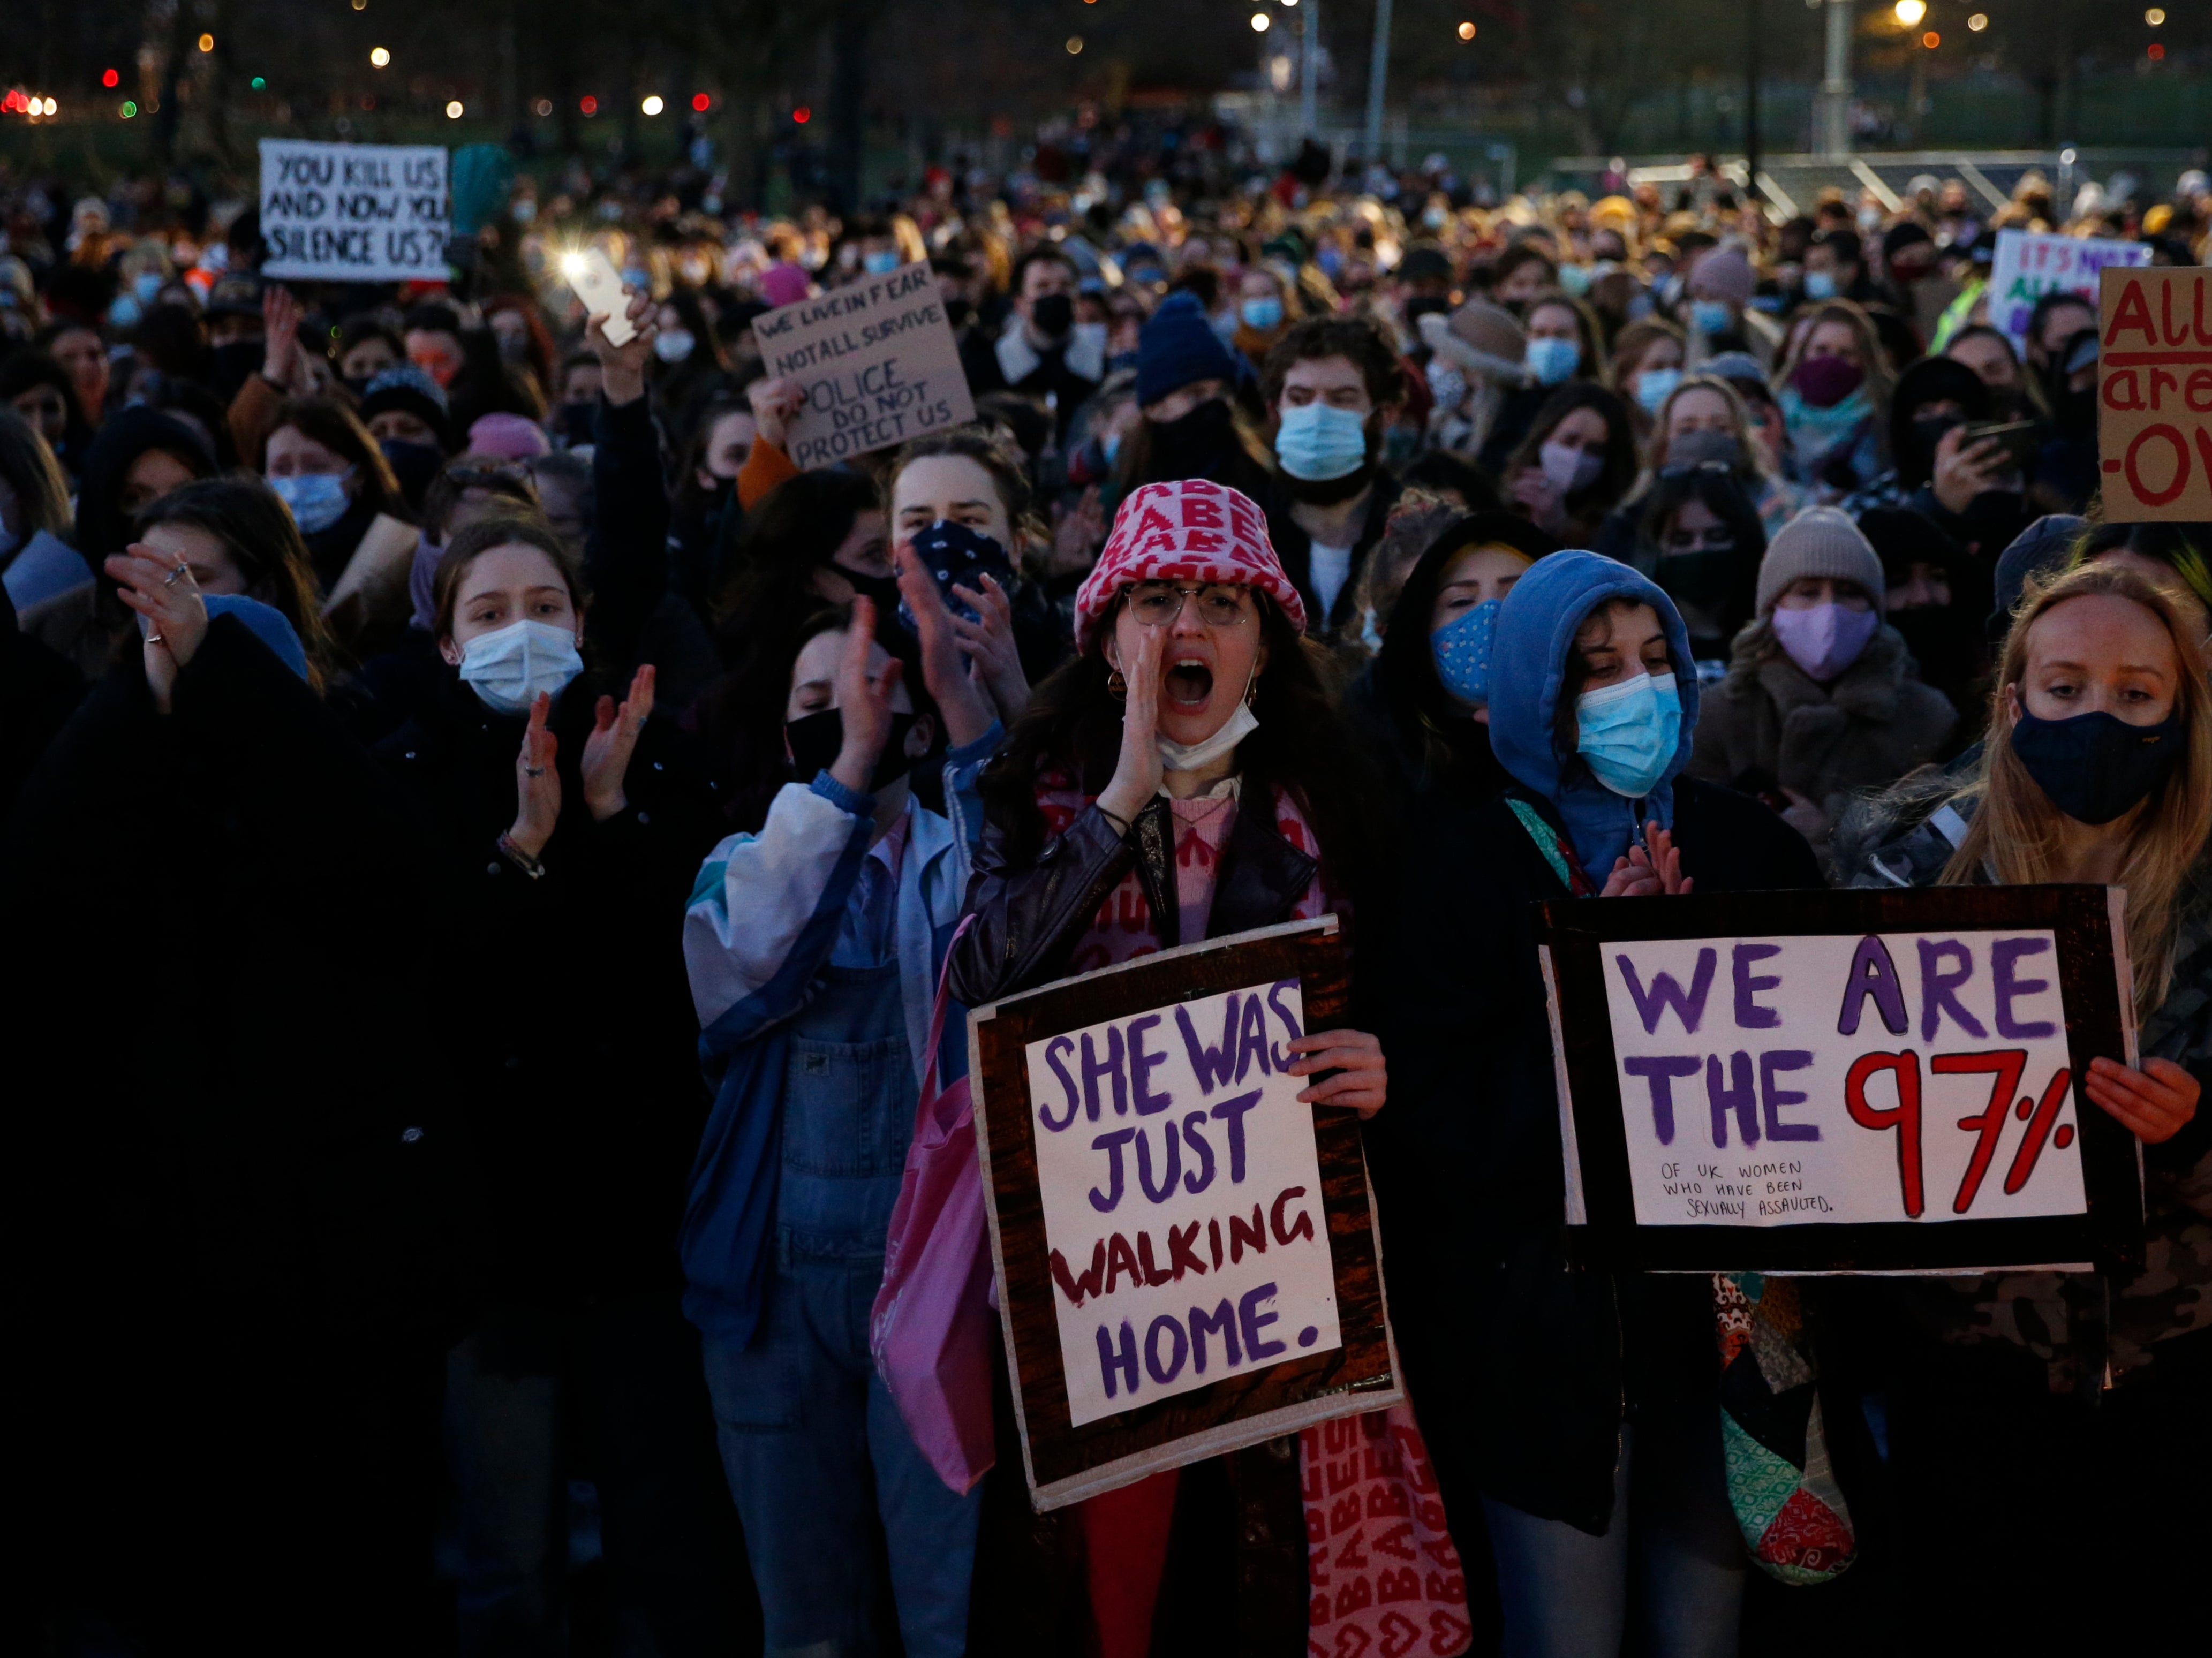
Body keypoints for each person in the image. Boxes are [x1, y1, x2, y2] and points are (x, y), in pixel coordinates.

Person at [946, 478, 1394, 1654]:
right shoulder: (1033, 797)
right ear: (1105, 637)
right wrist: (1121, 801)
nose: (1186, 627)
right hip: (1092, 1294)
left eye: (1219, 602)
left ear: (1264, 644)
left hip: (1274, 1300)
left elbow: (1415, 1011)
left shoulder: (1342, 808)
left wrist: (1383, 1067)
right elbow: (981, 977)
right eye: (1154, 599)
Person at [1365, 549, 1820, 1658]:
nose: (1636, 690)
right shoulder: (1453, 863)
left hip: (1724, 1344)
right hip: (1549, 1354)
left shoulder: (1747, 844)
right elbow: (1440, 1121)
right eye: (1597, 666)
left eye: (1657, 660)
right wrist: (1600, 977)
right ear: (1533, 690)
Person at [6, 552, 457, 1654]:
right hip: (154, 1296)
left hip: (329, 1291)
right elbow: (47, 886)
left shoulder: (344, 804)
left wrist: (232, 682)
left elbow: (383, 873)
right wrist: (143, 703)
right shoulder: (110, 810)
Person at [375, 510, 744, 1654]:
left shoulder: (654, 761)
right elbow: (423, 993)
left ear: (582, 624)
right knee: (508, 1566)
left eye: (543, 609)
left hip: (641, 1237)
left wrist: (607, 816)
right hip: (491, 1252)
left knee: (661, 1548)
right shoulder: (404, 778)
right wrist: (521, 856)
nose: (519, 632)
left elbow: (698, 978)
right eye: (488, 615)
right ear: (446, 644)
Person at [1834, 561, 2211, 1652]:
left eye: (2135, 694)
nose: (2098, 714)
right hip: (1968, 1370)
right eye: (2064, 687)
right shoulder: (1901, 865)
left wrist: (2199, 1121)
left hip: (2176, 1366)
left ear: (2179, 711)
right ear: (2011, 703)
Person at [682, 573, 1002, 1658]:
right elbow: (739, 969)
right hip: (772, 1299)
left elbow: (1021, 899)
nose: (846, 705)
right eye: (818, 694)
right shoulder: (739, 866)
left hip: (942, 1285)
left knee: (945, 1609)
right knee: (807, 1623)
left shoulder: (958, 855)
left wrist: (960, 703)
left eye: (868, 688)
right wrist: (848, 773)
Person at [1688, 506, 1955, 866]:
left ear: (1874, 611)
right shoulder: (1717, 718)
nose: (1828, 611)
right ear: (1773, 609)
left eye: (1848, 592)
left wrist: (1832, 830)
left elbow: (1941, 852)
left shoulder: (1926, 717)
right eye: (1808, 592)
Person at [1346, 509, 1560, 795]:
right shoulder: (1367, 766)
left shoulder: (1600, 735)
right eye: (1460, 602)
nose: (1491, 616)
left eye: (1518, 593)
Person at [1260, 315, 1408, 637]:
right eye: (1299, 399)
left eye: (1342, 399)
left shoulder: (1418, 536)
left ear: (1385, 416)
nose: (1318, 415)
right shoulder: (1240, 535)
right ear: (1275, 411)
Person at [1116, 290, 1273, 501]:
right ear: (1155, 408)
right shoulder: (1121, 504)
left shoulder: (1263, 486)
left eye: (1222, 392)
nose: (1214, 404)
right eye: (1195, 394)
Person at [260, 396, 419, 602]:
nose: (297, 479)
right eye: (282, 468)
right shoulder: (251, 559)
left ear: (358, 476)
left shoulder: (402, 555)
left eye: (316, 467)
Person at [1773, 300, 1890, 496]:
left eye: (1846, 354)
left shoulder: (1884, 419)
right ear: (1804, 353)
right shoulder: (1774, 415)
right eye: (1821, 350)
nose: (1831, 362)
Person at [1501, 383, 1638, 548]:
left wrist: (1561, 530)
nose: (1577, 457)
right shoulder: (1499, 501)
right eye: (1569, 441)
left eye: (1594, 450)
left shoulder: (1617, 533)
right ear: (1545, 437)